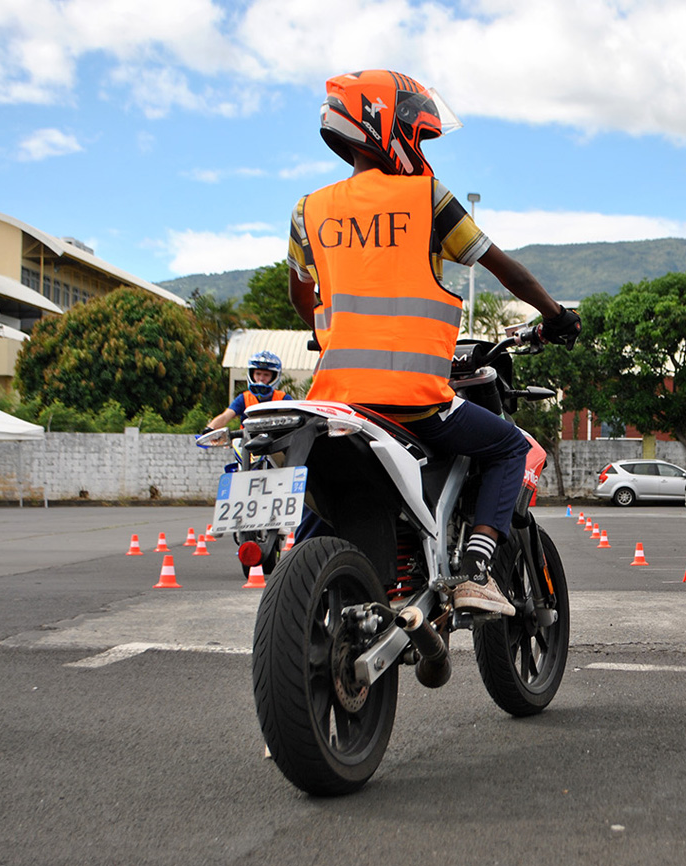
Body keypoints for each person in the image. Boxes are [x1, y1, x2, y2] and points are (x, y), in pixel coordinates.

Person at [286, 70, 581, 617]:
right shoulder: (427, 198)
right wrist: (555, 314)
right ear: (390, 127)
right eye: (417, 133)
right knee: (510, 446)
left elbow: (303, 297)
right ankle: (474, 568)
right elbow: (501, 266)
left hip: (336, 402)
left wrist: (330, 330)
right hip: (416, 400)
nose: (420, 147)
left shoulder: (309, 210)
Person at [205, 351, 292, 431]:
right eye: (258, 374)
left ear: (274, 377)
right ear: (252, 374)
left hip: (276, 444)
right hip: (247, 444)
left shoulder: (283, 398)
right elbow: (225, 416)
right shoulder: (244, 398)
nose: (261, 378)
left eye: (266, 375)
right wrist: (209, 428)